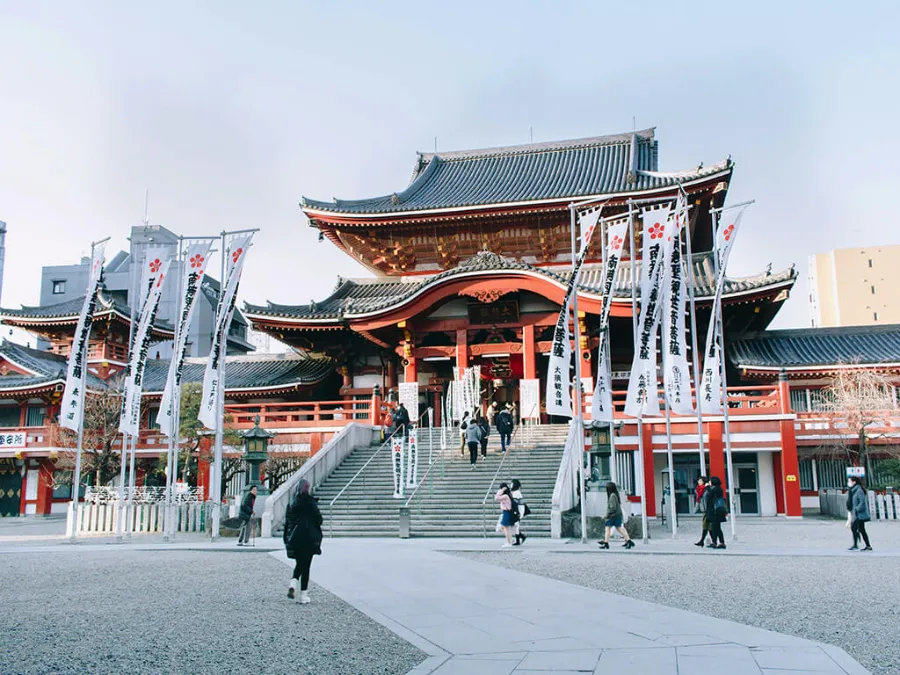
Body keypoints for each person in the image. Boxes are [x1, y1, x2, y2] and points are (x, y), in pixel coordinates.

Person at [284, 479, 323, 604]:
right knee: (306, 566)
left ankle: (293, 583)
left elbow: (289, 520)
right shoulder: (311, 502)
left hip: (296, 537)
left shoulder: (294, 503)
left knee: (299, 562)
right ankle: (303, 595)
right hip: (309, 537)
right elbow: (319, 519)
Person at [598, 482, 634, 549]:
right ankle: (629, 541)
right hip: (617, 515)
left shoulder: (611, 496)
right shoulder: (615, 495)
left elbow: (612, 507)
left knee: (608, 529)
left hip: (612, 516)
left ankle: (606, 543)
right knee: (619, 528)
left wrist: (606, 515)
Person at [846, 476, 872, 551]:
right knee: (858, 529)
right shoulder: (852, 490)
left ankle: (864, 545)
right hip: (855, 513)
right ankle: (862, 545)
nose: (849, 483)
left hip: (859, 514)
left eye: (850, 481)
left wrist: (857, 509)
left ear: (854, 482)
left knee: (859, 529)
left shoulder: (858, 490)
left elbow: (862, 502)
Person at [704, 476, 727, 549]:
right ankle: (721, 542)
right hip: (715, 510)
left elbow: (711, 494)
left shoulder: (717, 489)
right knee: (717, 527)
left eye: (710, 481)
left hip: (716, 511)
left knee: (715, 527)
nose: (709, 482)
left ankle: (715, 542)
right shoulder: (715, 488)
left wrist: (707, 487)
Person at [495, 482, 517, 547]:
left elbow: (496, 498)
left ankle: (509, 542)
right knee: (502, 527)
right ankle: (510, 539)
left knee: (506, 528)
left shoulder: (505, 496)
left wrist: (501, 490)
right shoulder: (508, 495)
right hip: (506, 512)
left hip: (506, 512)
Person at [511, 479, 528, 545]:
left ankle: (521, 537)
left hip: (518, 511)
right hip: (519, 511)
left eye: (512, 483)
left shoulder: (516, 493)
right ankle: (519, 538)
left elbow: (515, 503)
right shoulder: (516, 492)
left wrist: (516, 512)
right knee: (516, 525)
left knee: (516, 525)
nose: (511, 485)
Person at [693, 476, 709, 547]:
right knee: (707, 527)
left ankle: (702, 541)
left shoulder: (706, 490)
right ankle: (703, 541)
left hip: (708, 510)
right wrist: (695, 509)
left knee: (706, 526)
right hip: (704, 511)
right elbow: (698, 500)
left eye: (700, 481)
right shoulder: (698, 490)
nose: (698, 482)